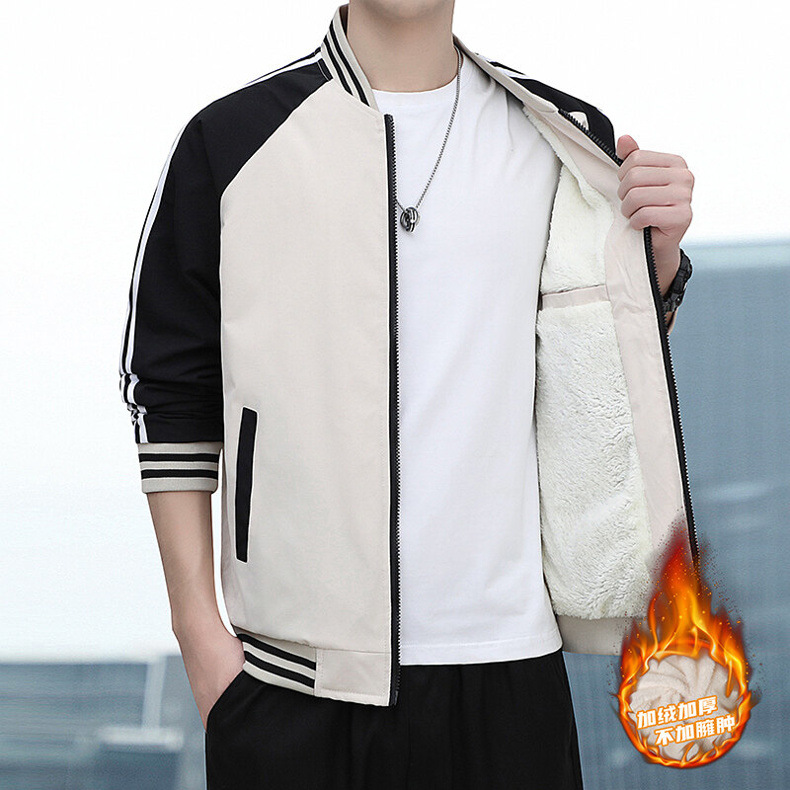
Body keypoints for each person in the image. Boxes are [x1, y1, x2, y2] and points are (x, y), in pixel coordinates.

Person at [118, 1, 696, 787]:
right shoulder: (233, 140)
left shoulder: (562, 137)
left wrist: (653, 267)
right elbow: (168, 390)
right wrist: (200, 639)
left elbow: (594, 364)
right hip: (294, 682)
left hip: (513, 675)